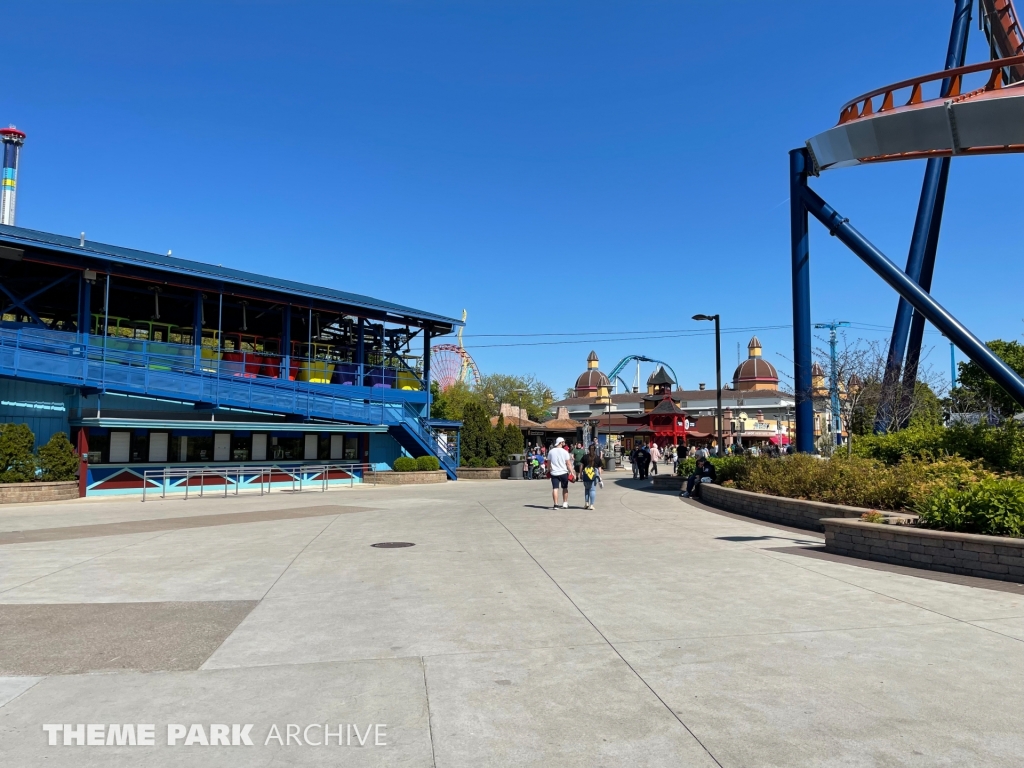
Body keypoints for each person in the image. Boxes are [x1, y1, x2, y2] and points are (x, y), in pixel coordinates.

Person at [546, 436, 573, 509]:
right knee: (565, 488)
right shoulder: (565, 452)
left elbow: (548, 463)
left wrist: (548, 470)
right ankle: (565, 503)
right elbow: (568, 463)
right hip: (563, 472)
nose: (564, 443)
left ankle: (556, 504)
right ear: (560, 442)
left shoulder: (551, 451)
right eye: (563, 442)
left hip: (554, 473)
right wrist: (572, 472)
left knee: (555, 488)